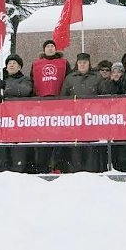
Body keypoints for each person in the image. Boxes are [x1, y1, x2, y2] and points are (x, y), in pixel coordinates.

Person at [30, 39, 72, 173]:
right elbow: (32, 81)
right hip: (42, 105)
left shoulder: (64, 63)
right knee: (43, 138)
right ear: (44, 49)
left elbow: (69, 80)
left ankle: (58, 166)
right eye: (47, 46)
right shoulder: (36, 64)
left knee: (59, 137)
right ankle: (43, 167)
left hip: (59, 104)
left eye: (52, 46)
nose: (50, 48)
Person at [60, 53, 106, 172]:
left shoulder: (97, 77)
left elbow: (104, 96)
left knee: (92, 145)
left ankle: (92, 168)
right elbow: (63, 97)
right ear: (77, 63)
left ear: (89, 63)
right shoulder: (70, 78)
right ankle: (77, 169)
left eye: (85, 62)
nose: (82, 65)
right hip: (75, 118)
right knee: (76, 145)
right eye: (80, 62)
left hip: (92, 118)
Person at [0, 54, 33, 173]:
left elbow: (25, 90)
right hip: (3, 120)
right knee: (2, 150)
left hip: (19, 120)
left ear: (19, 67)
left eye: (14, 63)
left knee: (18, 150)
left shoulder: (25, 79)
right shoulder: (2, 81)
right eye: (9, 63)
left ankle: (19, 171)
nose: (11, 65)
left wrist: (6, 89)